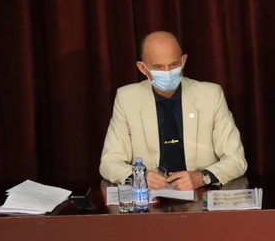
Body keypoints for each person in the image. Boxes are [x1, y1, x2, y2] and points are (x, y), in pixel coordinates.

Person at [99, 31, 247, 190]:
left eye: (173, 65)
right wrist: (140, 176)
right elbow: (109, 163)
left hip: (199, 193)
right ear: (143, 68)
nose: (167, 72)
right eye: (158, 67)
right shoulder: (127, 98)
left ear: (183, 61)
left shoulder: (210, 95)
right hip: (149, 197)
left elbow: (237, 160)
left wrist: (202, 177)